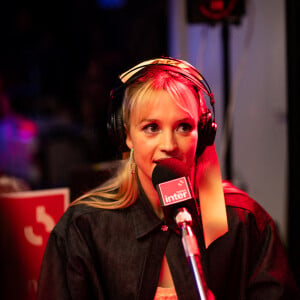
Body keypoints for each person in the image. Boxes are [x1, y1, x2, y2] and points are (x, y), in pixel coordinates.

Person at [37, 57, 300, 299]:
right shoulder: (83, 228)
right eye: (151, 128)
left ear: (203, 134)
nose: (169, 144)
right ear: (126, 135)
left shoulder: (245, 223)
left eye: (183, 127)